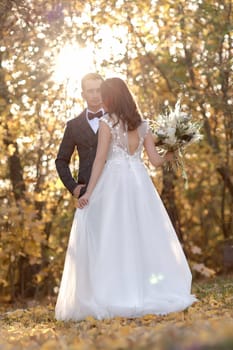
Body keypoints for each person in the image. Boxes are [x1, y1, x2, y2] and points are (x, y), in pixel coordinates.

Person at [55, 77, 197, 321]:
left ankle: (116, 291)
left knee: (114, 237)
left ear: (111, 98)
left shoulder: (106, 122)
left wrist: (88, 193)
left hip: (114, 183)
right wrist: (173, 151)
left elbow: (100, 160)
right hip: (139, 184)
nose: (100, 98)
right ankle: (148, 288)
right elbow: (156, 161)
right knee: (142, 234)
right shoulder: (143, 125)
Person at [55, 72, 105, 199]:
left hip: (114, 186)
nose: (95, 95)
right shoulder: (73, 126)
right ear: (83, 95)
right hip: (86, 191)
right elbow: (61, 160)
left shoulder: (116, 119)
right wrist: (73, 187)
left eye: (99, 90)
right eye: (90, 91)